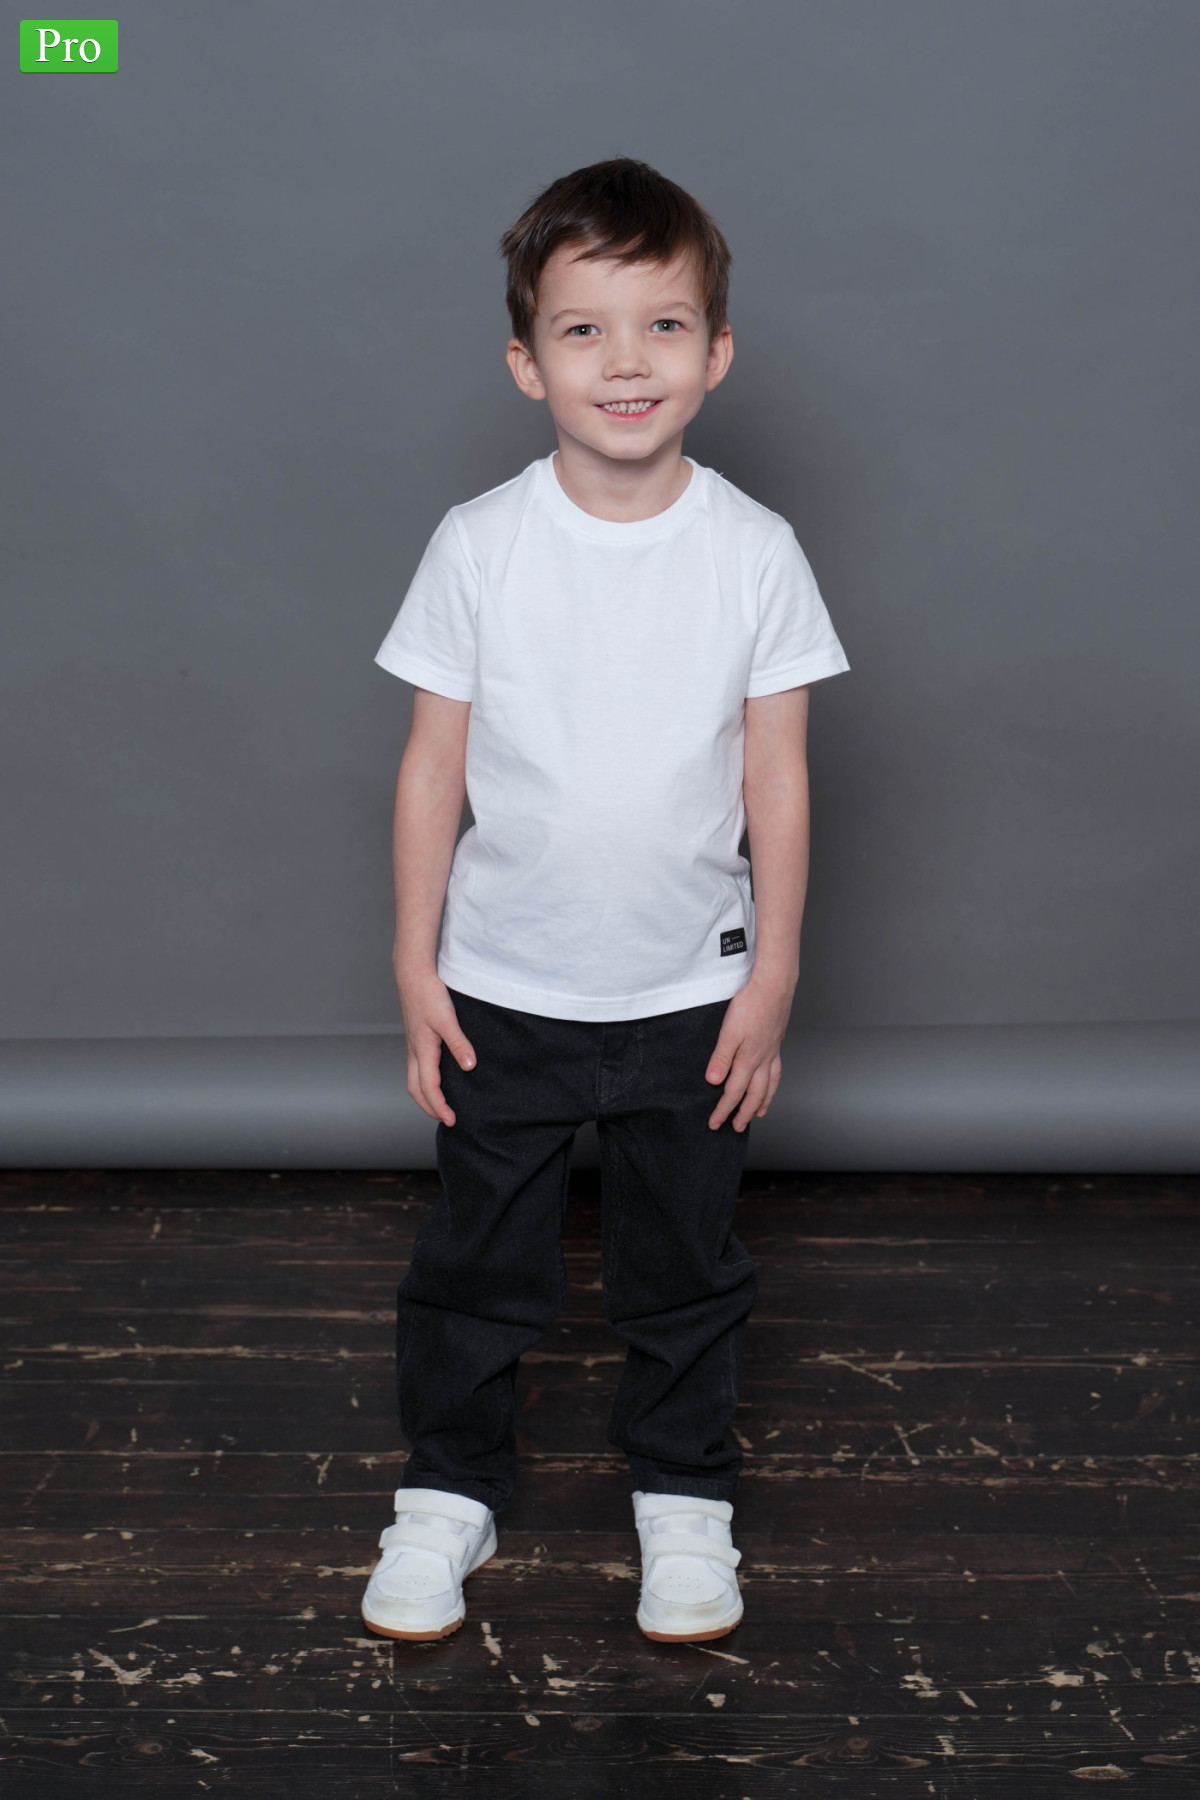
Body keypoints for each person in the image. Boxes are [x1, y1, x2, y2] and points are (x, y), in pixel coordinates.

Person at [362, 157, 848, 1645]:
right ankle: (446, 1492)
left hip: (690, 992)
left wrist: (773, 976)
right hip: (501, 986)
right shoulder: (479, 543)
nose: (625, 362)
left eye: (663, 326)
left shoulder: (755, 551)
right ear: (528, 363)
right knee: (475, 1263)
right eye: (584, 329)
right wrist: (414, 962)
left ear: (716, 354)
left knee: (684, 1267)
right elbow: (432, 766)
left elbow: (778, 778)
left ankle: (684, 1500)